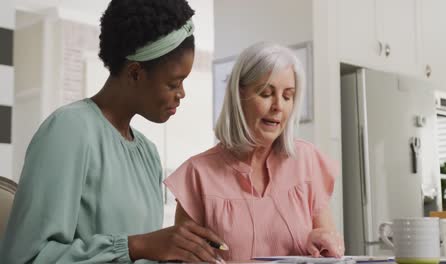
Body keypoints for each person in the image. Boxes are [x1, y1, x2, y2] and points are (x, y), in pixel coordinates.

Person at [0, 0, 227, 263]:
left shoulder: (148, 153)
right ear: (134, 73)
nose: (182, 94)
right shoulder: (69, 131)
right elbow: (26, 257)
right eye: (174, 83)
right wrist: (138, 245)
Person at [164, 42, 345, 260]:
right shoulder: (197, 174)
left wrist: (322, 243)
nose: (278, 105)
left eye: (288, 96)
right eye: (266, 93)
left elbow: (331, 252)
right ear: (239, 95)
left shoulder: (307, 161)